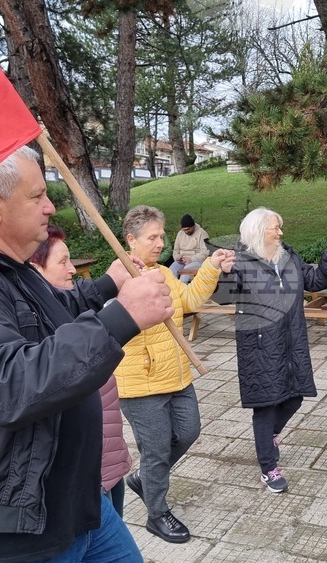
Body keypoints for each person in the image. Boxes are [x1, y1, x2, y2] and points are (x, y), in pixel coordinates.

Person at [0, 146, 174, 563]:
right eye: (36, 196)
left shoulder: (6, 268)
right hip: (5, 529)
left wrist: (107, 285)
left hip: (68, 502)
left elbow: (49, 317)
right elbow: (5, 386)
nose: (50, 207)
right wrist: (121, 319)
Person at [214, 208, 327, 493]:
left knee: (294, 398)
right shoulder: (239, 260)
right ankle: (269, 467)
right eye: (275, 228)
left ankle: (270, 437)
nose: (280, 232)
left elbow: (314, 281)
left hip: (292, 340)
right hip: (258, 344)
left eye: (280, 227)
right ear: (257, 231)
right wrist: (226, 273)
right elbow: (221, 298)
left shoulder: (288, 257)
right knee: (266, 406)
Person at [115, 205, 235, 543]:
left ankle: (144, 479)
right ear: (130, 240)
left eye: (161, 236)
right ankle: (156, 513)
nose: (159, 242)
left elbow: (190, 299)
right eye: (151, 237)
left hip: (178, 374)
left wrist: (211, 266)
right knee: (155, 450)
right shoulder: (120, 276)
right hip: (141, 381)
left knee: (188, 431)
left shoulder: (164, 272)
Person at [28, 225, 133, 517]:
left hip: (109, 460)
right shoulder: (44, 334)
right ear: (34, 269)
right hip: (82, 474)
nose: (72, 269)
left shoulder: (79, 316)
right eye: (62, 262)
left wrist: (113, 279)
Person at [169, 213, 210, 283]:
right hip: (181, 260)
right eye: (184, 230)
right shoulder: (180, 233)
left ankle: (184, 292)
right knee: (170, 273)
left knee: (184, 276)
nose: (186, 231)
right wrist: (177, 257)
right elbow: (176, 249)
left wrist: (191, 259)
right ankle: (173, 292)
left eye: (188, 229)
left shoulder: (202, 233)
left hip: (196, 260)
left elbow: (205, 252)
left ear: (193, 226)